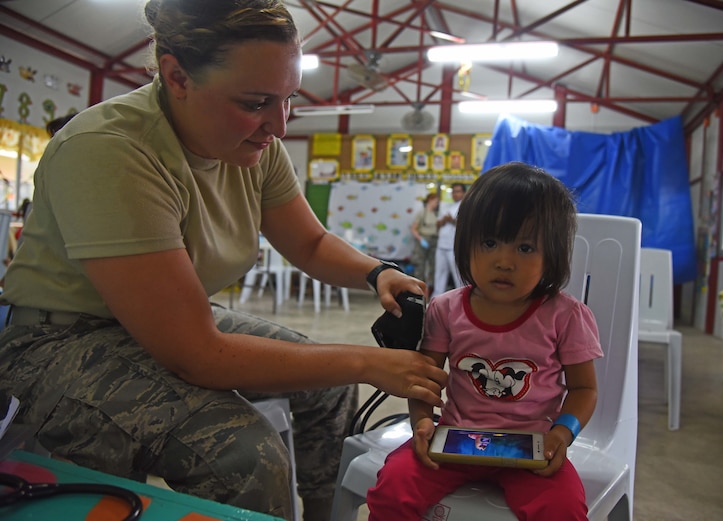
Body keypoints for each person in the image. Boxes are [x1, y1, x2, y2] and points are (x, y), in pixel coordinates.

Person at [0, 2, 447, 521]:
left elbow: (309, 243)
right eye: (256, 102)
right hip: (58, 341)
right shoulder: (110, 149)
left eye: (288, 100)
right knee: (243, 457)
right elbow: (197, 353)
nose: (277, 125)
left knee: (330, 389)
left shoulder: (252, 145)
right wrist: (369, 361)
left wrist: (377, 272)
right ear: (176, 76)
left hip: (178, 324)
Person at [366, 163, 602, 520]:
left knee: (564, 508)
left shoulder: (565, 316)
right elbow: (424, 380)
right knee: (392, 487)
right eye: (490, 243)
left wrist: (562, 434)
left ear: (552, 254)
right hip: (452, 443)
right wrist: (422, 423)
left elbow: (584, 389)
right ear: (466, 242)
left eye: (525, 248)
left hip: (531, 451)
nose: (503, 261)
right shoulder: (446, 309)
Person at [431, 183, 466, 297]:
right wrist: (441, 222)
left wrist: (451, 220)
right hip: (442, 245)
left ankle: (462, 299)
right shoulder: (448, 206)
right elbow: (438, 223)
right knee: (439, 275)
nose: (455, 194)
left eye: (458, 191)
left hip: (453, 247)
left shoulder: (465, 206)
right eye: (453, 191)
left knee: (458, 276)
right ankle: (435, 300)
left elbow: (466, 225)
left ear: (464, 193)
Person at [410, 193, 439, 290]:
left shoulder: (436, 214)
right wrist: (420, 239)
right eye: (435, 201)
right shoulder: (422, 213)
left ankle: (430, 288)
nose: (436, 204)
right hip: (423, 239)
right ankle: (418, 288)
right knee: (420, 265)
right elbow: (413, 229)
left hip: (434, 240)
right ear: (430, 200)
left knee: (432, 265)